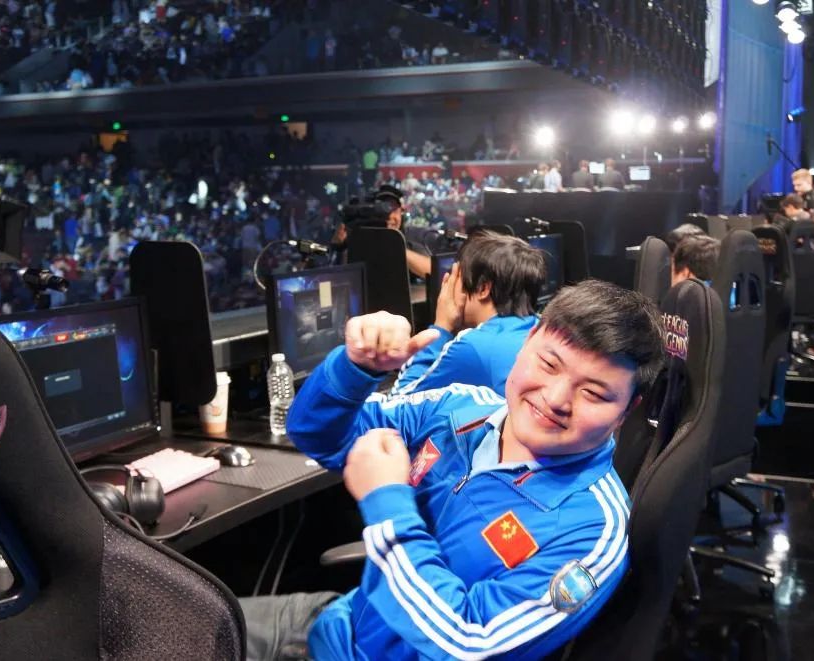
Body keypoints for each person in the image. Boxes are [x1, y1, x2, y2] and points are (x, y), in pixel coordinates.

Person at [241, 280, 666, 661]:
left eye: (593, 393)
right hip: (342, 624)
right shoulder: (459, 407)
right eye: (549, 364)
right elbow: (315, 435)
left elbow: (466, 642)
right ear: (528, 341)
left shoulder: (593, 530)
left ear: (626, 410)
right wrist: (356, 369)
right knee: (197, 616)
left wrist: (386, 503)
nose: (555, 398)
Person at [391, 231, 546, 396]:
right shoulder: (540, 327)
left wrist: (441, 327)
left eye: (456, 278)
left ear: (483, 288)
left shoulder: (473, 346)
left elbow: (401, 398)